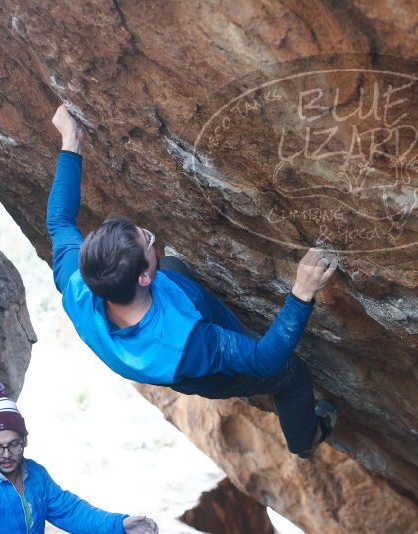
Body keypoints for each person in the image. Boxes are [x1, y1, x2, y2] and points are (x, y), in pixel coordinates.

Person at [46, 104, 339, 458]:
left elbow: (60, 222)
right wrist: (302, 292)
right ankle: (303, 441)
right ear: (142, 276)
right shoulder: (188, 341)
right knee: (291, 374)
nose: (151, 234)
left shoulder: (79, 283)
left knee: (173, 265)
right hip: (202, 365)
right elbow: (265, 361)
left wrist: (71, 141)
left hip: (161, 332)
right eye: (147, 241)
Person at [0, 382, 158, 534]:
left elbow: (71, 511)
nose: (6, 454)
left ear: (25, 440)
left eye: (14, 444)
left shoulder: (36, 475)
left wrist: (120, 525)